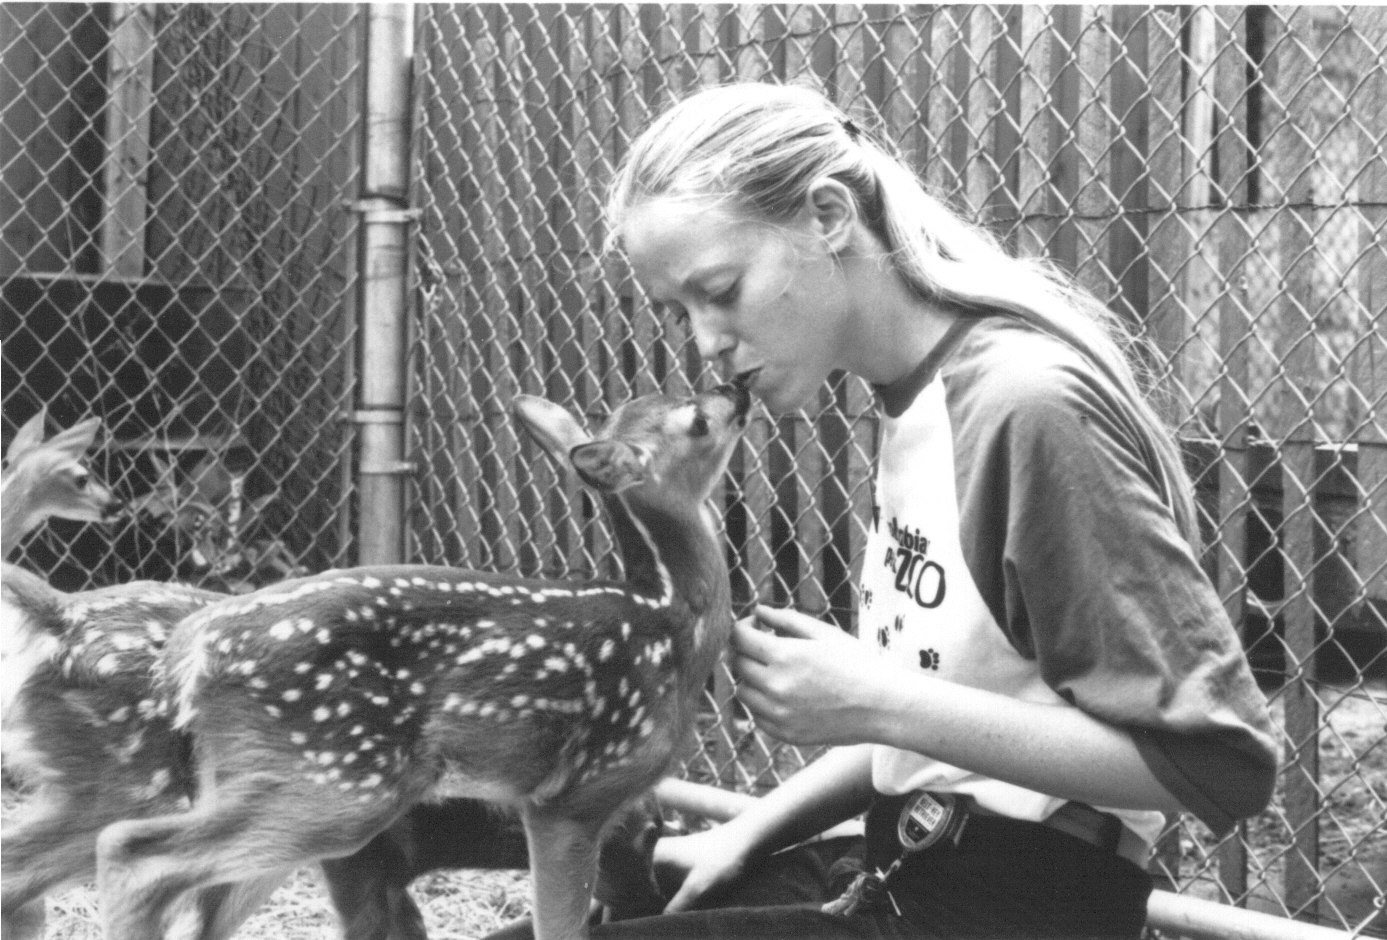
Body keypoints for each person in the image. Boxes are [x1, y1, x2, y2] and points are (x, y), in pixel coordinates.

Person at [487, 81, 1278, 940]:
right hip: (898, 864)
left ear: (827, 215)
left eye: (719, 289)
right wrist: (752, 830)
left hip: (1012, 910)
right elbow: (960, 707)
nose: (705, 341)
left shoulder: (1021, 405)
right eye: (679, 311)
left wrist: (877, 700)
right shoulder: (907, 400)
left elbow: (1221, 763)